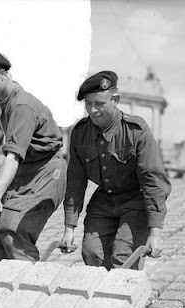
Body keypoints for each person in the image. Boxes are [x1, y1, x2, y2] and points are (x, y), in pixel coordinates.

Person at [60, 71, 171, 269]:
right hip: (103, 201)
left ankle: (126, 296)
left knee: (124, 257)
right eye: (88, 104)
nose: (93, 110)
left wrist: (155, 233)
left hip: (136, 200)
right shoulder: (79, 133)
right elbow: (75, 182)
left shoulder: (136, 131)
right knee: (92, 254)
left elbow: (152, 179)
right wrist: (69, 228)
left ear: (115, 100)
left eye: (100, 104)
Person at [0, 49, 67, 261]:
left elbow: (12, 156)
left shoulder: (22, 105)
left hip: (46, 174)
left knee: (12, 230)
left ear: (2, 74)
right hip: (27, 174)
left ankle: (28, 287)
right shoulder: (7, 102)